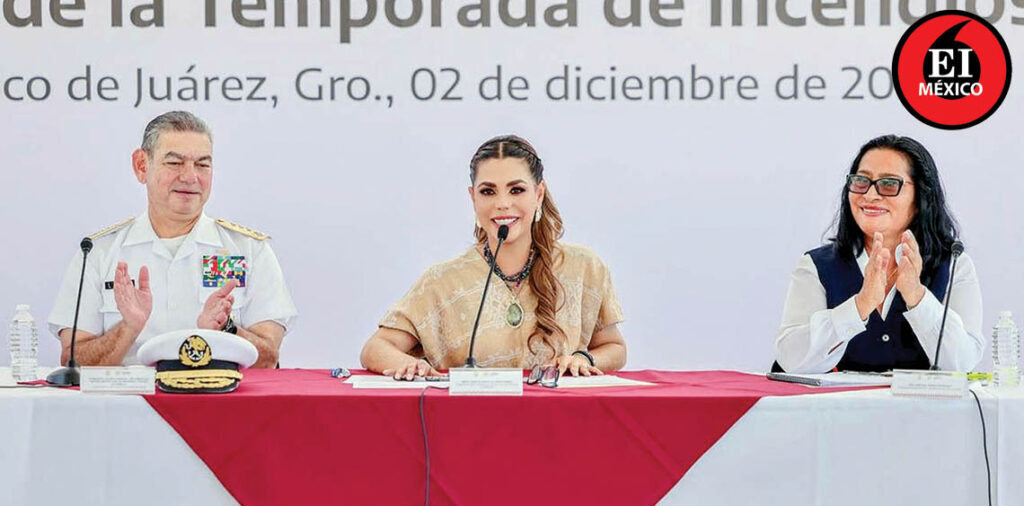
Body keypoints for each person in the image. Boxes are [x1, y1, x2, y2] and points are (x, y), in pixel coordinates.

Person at [361, 135, 627, 379]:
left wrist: (584, 358)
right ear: (473, 198)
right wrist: (410, 364)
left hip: (559, 415)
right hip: (470, 415)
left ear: (539, 194)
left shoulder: (584, 267)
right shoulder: (441, 281)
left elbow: (615, 347)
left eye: (516, 190)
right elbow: (376, 348)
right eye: (488, 191)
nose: (502, 204)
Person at [48, 111, 297, 368]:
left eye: (202, 164)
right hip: (130, 394)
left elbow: (269, 358)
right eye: (175, 163)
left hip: (221, 394)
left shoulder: (248, 250)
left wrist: (227, 328)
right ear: (142, 166)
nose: (190, 177)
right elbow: (73, 361)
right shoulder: (97, 252)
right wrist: (127, 328)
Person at [773, 135, 984, 373]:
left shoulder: (955, 264)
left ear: (921, 197)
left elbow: (962, 362)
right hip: (838, 399)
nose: (870, 195)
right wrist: (860, 305)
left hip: (921, 399)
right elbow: (792, 360)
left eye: (889, 184)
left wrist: (916, 295)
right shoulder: (815, 266)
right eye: (861, 181)